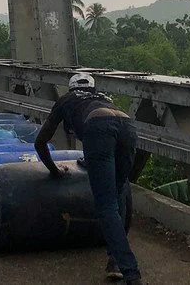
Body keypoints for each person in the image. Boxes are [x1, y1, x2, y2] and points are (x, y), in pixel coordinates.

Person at [35, 73, 141, 284]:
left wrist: (54, 169)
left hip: (98, 127)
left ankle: (131, 273)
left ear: (70, 87)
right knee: (118, 191)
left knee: (106, 206)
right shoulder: (104, 97)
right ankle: (115, 260)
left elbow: (40, 142)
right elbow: (111, 130)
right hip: (128, 127)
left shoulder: (66, 100)